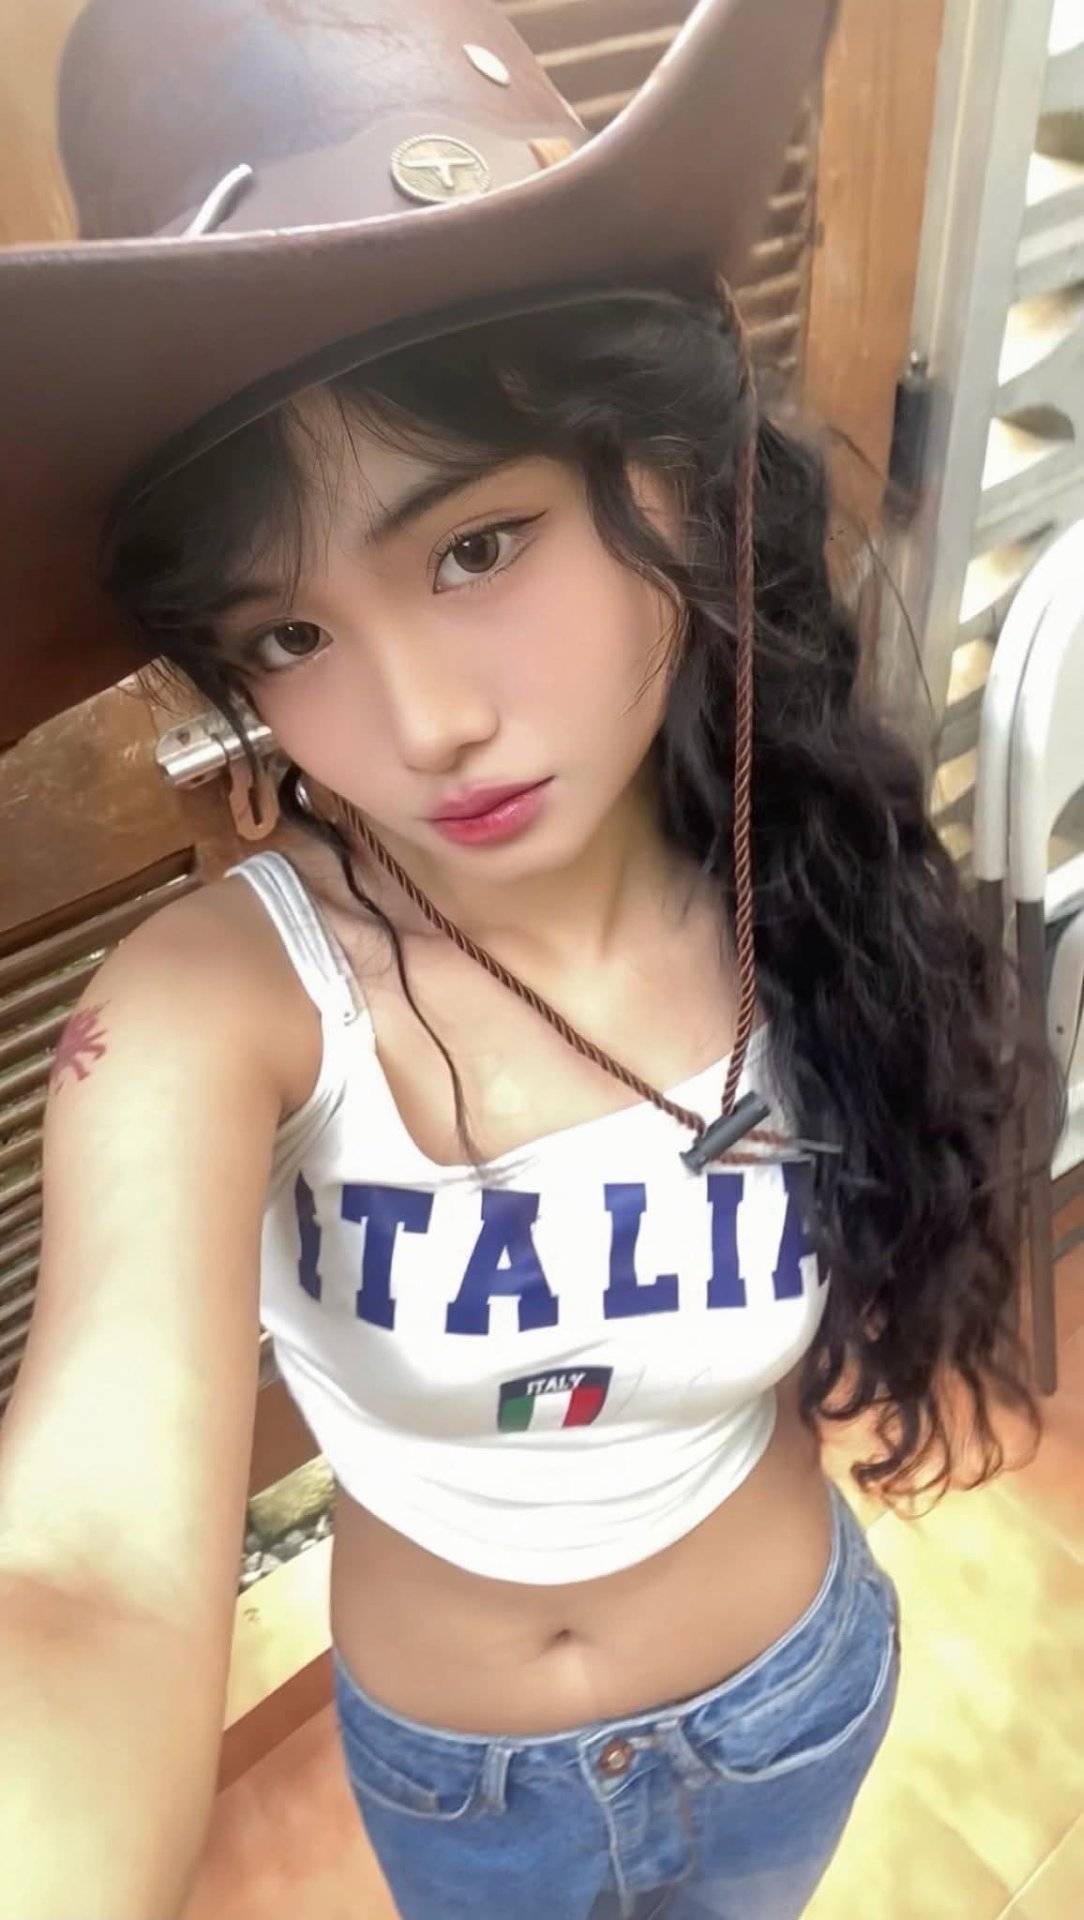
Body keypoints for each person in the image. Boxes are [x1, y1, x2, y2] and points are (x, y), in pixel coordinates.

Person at [0, 2, 1062, 1917]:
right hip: (458, 1785)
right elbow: (77, 1572)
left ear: (672, 480)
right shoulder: (217, 1012)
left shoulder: (810, 880)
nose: (423, 726)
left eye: (478, 545)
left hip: (791, 1707)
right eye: (286, 638)